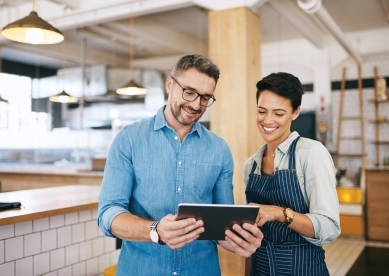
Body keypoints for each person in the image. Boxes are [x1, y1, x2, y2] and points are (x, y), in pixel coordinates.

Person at [98, 54, 263, 276]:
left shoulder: (219, 149)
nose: (196, 104)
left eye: (205, 97)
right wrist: (155, 230)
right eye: (189, 92)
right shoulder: (128, 140)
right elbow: (108, 214)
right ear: (169, 84)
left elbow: (220, 227)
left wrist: (240, 242)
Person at [244, 72, 340, 276]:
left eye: (278, 114)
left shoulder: (311, 153)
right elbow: (250, 235)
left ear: (295, 112)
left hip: (302, 268)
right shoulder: (250, 165)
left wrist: (280, 213)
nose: (267, 120)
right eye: (262, 111)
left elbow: (329, 228)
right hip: (258, 267)